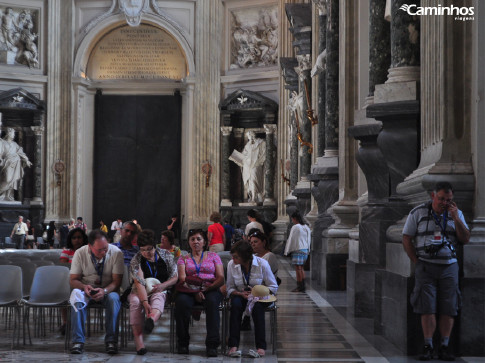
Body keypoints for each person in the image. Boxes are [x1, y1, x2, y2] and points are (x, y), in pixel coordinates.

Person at [402, 182, 470, 361]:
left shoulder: (457, 213)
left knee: (449, 306)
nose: (444, 203)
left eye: (448, 200)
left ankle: (445, 346)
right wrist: (416, 261)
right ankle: (428, 345)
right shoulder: (418, 213)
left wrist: (456, 219)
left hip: (449, 266)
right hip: (426, 265)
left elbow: (465, 238)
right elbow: (406, 237)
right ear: (433, 196)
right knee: (427, 306)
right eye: (441, 199)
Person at [69, 229, 124, 355]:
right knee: (76, 296)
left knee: (114, 299)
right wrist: (84, 287)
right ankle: (78, 341)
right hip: (86, 289)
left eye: (105, 248)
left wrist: (104, 291)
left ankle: (111, 341)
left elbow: (117, 282)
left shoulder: (116, 253)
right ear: (90, 246)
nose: (104, 252)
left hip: (108, 289)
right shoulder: (80, 253)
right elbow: (73, 280)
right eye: (99, 250)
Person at [175, 229, 224, 357]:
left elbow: (220, 277)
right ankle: (183, 342)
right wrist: (195, 291)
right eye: (192, 239)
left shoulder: (214, 256)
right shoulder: (183, 258)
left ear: (204, 242)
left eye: (198, 239)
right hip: (189, 288)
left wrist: (206, 289)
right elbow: (182, 278)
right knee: (181, 302)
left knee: (212, 302)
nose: (195, 242)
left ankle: (212, 344)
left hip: (210, 288)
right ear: (189, 242)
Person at [128, 230, 178, 355]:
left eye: (149, 249)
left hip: (159, 288)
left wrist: (163, 285)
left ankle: (150, 321)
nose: (146, 253)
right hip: (139, 289)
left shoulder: (165, 255)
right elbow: (139, 283)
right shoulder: (136, 260)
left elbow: (174, 276)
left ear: (155, 245)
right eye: (143, 249)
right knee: (135, 302)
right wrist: (144, 302)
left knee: (159, 298)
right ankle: (139, 344)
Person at [226, 241, 278, 358]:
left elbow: (273, 286)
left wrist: (258, 292)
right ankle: (233, 345)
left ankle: (260, 347)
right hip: (240, 294)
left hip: (260, 297)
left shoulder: (262, 264)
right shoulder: (231, 265)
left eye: (236, 257)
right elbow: (229, 287)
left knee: (257, 307)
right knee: (236, 305)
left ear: (245, 257)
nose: (233, 259)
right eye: (233, 257)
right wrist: (239, 293)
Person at [59, 228, 89, 334]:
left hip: (84, 281)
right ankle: (66, 322)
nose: (77, 240)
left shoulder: (88, 251)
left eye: (79, 237)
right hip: (68, 279)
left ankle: (78, 323)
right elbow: (64, 267)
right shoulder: (67, 251)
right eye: (74, 238)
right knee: (64, 292)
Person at [0, 128, 32, 201]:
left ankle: (8, 195)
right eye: (12, 133)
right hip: (6, 163)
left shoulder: (15, 144)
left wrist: (27, 160)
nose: (13, 135)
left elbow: (21, 153)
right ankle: (1, 194)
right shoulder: (2, 142)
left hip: (15, 164)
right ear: (8, 133)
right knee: (7, 179)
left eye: (14, 134)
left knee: (12, 180)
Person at [284, 211, 311, 292]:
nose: (292, 221)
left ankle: (300, 286)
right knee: (301, 268)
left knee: (298, 269)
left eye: (292, 219)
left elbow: (291, 239)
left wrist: (287, 251)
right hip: (305, 249)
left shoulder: (296, 227)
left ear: (295, 218)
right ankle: (302, 286)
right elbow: (309, 239)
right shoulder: (306, 227)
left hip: (298, 249)